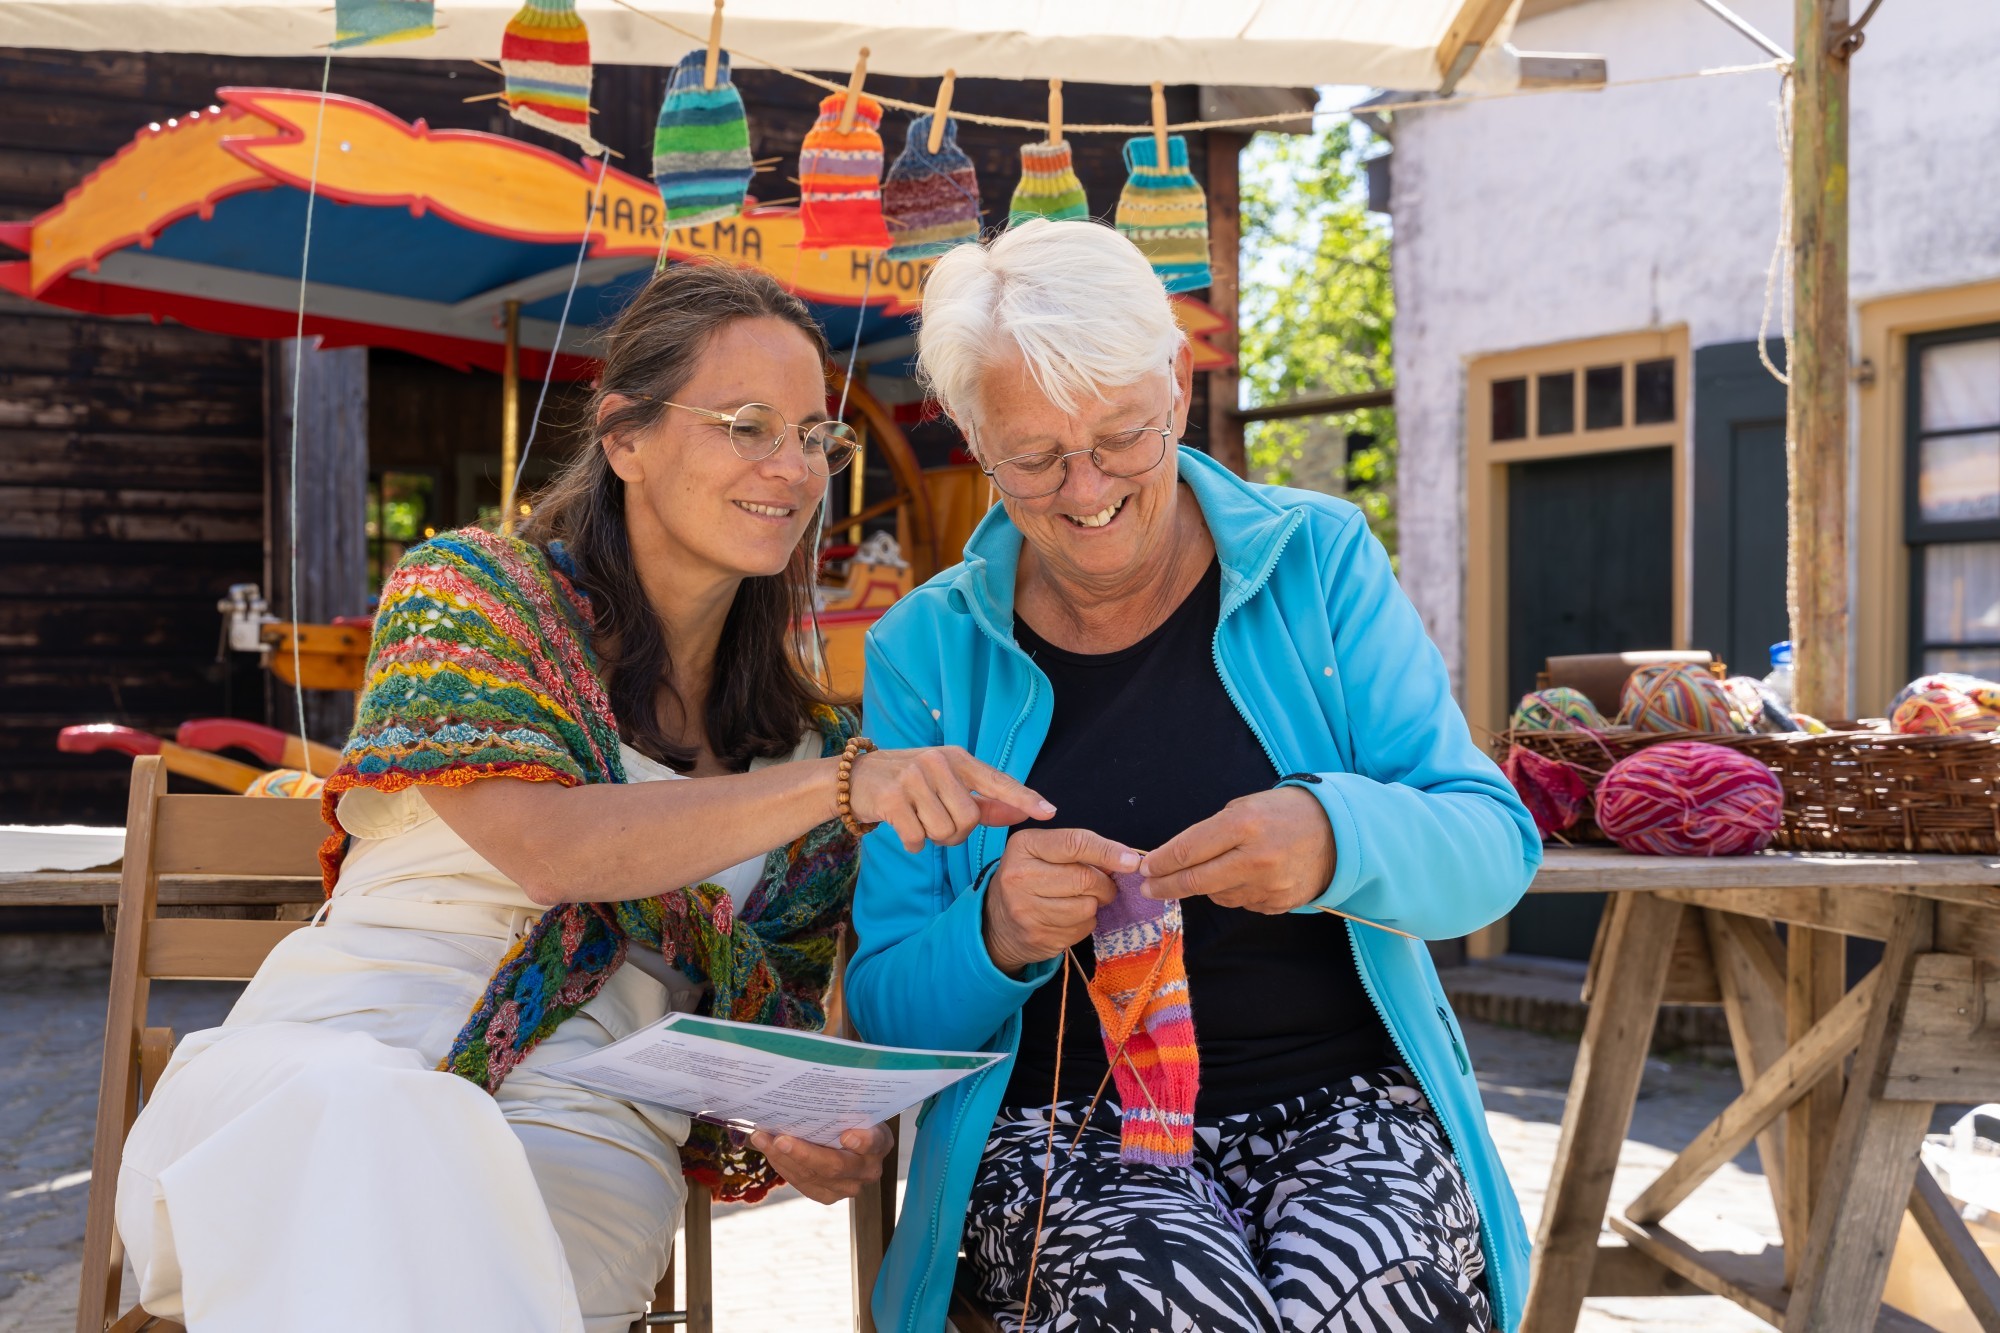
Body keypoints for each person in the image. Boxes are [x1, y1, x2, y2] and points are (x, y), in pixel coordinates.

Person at [114, 262, 1050, 1333]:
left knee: (424, 1222)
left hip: (581, 1135)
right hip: (328, 1061)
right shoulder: (468, 596)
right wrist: (841, 786)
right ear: (624, 437)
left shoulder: (808, 751)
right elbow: (551, 848)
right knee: (372, 1123)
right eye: (747, 426)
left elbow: (765, 1053)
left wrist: (800, 1136)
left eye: (812, 437)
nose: (792, 468)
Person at [846, 220, 1542, 1333]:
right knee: (1166, 1304)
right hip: (1062, 1130)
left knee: (1373, 1293)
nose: (1085, 488)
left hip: (1345, 1104)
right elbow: (887, 1009)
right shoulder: (924, 650)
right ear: (976, 439)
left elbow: (1492, 849)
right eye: (1033, 456)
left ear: (1176, 380)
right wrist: (996, 930)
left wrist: (1334, 838)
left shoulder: (1318, 562)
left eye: (1121, 435)